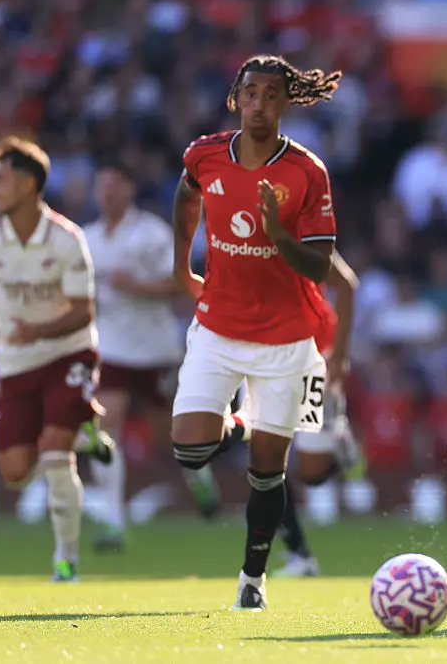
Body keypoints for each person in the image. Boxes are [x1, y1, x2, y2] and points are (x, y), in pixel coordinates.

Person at [169, 54, 341, 611]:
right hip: (218, 326)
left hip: (288, 339)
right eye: (251, 94)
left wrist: (275, 232)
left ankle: (253, 579)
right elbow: (186, 194)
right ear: (235, 99)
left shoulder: (307, 172)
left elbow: (318, 266)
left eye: (272, 95)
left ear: (286, 103)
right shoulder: (204, 154)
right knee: (190, 448)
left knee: (268, 474)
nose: (260, 104)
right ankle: (246, 422)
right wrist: (181, 265)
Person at [0, 137, 115, 581]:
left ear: (27, 184)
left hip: (69, 353)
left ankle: (66, 560)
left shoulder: (66, 239)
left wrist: (38, 330)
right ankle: (85, 426)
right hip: (18, 363)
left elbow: (84, 311)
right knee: (15, 470)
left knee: (56, 458)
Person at [83, 160, 185, 551]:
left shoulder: (152, 234)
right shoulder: (88, 239)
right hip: (110, 348)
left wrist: (136, 286)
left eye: (113, 185)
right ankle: (113, 519)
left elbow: (179, 283)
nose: (107, 193)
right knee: (106, 428)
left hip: (154, 349)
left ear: (128, 189)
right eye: (101, 186)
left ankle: (199, 480)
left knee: (170, 435)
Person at [274, 250, 364, 578]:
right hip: (260, 359)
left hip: (312, 359)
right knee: (265, 464)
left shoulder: (304, 235)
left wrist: (339, 356)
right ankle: (300, 556)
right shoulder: (233, 230)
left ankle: (339, 436)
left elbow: (347, 285)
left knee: (313, 473)